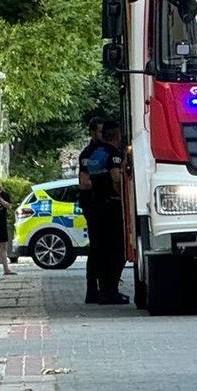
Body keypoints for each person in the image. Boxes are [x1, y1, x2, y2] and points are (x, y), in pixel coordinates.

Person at [78, 120, 128, 304]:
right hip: (109, 205)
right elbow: (116, 178)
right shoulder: (110, 153)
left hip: (96, 205)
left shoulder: (94, 155)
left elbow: (88, 178)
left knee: (99, 249)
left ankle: (97, 290)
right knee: (115, 249)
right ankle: (108, 290)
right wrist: (124, 196)